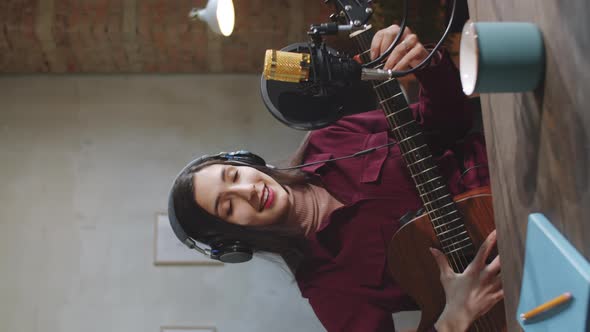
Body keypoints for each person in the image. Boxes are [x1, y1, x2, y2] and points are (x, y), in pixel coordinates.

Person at [169, 25, 503, 332]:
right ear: (235, 241)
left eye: (234, 175)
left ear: (246, 162)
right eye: (228, 206)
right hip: (511, 275)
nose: (248, 189)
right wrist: (455, 316)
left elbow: (449, 124)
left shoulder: (328, 139)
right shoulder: (327, 288)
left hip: (512, 168)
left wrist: (426, 64)